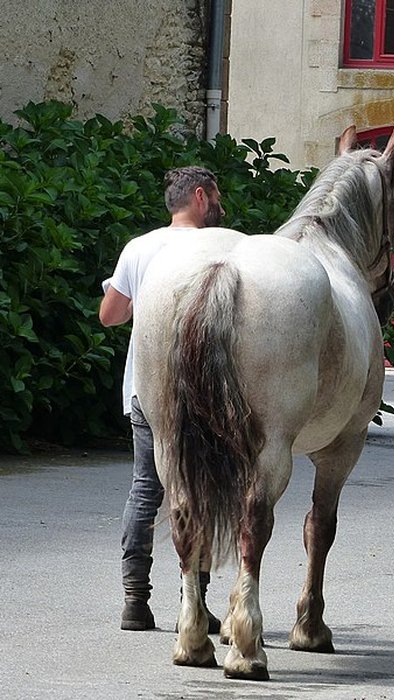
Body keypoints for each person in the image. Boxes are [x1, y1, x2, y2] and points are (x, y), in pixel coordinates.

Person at [100, 166, 225, 632]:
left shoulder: (139, 248)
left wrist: (135, 298)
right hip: (208, 391)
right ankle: (194, 602)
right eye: (217, 196)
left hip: (147, 390)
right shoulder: (222, 245)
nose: (222, 206)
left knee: (146, 489)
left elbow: (109, 316)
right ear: (199, 196)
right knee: (205, 491)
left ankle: (135, 600)